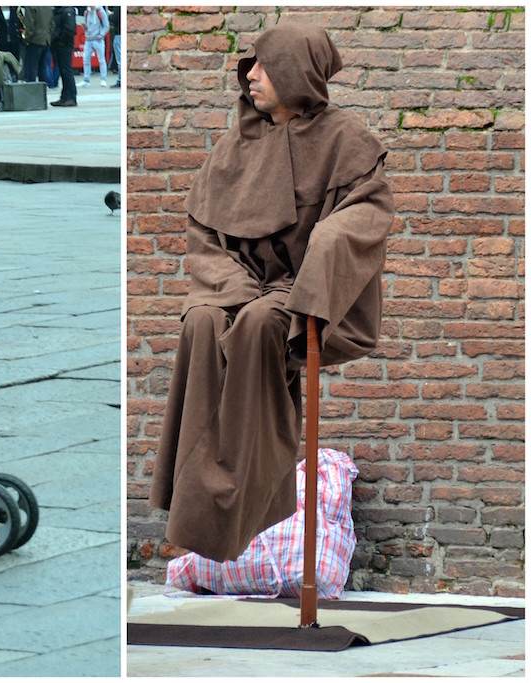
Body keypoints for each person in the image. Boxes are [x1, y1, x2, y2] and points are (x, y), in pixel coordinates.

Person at [148, 22, 395, 562]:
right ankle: (198, 492)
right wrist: (231, 287)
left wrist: (327, 242)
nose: (251, 75)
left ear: (296, 72)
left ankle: (252, 484)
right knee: (203, 321)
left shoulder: (347, 140)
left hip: (307, 289)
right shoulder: (234, 144)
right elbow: (203, 234)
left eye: (263, 65)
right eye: (251, 65)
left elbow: (367, 214)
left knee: (263, 323)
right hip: (236, 283)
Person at [49, 6, 76, 108]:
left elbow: (69, 29)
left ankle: (71, 97)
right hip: (58, 45)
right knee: (63, 71)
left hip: (64, 45)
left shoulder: (67, 10)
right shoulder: (59, 11)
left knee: (67, 71)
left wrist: (59, 39)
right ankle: (65, 96)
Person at [20, 5, 52, 84]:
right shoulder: (48, 6)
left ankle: (32, 92)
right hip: (45, 40)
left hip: (34, 40)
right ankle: (43, 91)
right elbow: (52, 24)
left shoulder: (30, 6)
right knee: (42, 68)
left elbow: (30, 25)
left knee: (31, 68)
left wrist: (26, 38)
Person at [79, 5, 108, 87]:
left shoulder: (101, 12)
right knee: (86, 60)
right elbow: (88, 27)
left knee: (101, 60)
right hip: (88, 39)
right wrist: (85, 28)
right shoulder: (86, 12)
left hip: (98, 39)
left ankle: (103, 79)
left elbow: (106, 26)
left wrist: (100, 35)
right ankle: (86, 80)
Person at [109, 7, 121, 89]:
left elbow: (115, 18)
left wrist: (109, 16)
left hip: (118, 34)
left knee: (120, 60)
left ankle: (121, 79)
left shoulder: (118, 6)